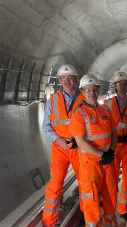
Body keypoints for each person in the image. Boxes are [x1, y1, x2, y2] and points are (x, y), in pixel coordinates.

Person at [69, 74, 118, 227]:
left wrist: (111, 152)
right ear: (82, 92)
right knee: (90, 199)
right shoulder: (79, 114)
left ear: (99, 90)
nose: (92, 93)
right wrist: (101, 154)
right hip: (90, 164)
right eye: (88, 90)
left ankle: (110, 223)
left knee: (110, 195)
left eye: (94, 89)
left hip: (107, 162)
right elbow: (80, 141)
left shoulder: (106, 110)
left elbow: (114, 132)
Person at [42, 64, 84, 227]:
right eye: (63, 78)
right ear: (59, 80)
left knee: (85, 184)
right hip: (60, 149)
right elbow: (46, 125)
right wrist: (58, 139)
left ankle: (86, 216)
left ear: (76, 79)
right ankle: (48, 223)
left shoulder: (84, 98)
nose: (66, 81)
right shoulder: (52, 100)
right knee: (54, 186)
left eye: (70, 78)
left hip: (79, 148)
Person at [104, 72, 127, 221]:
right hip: (113, 147)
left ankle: (124, 210)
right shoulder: (106, 104)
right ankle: (111, 209)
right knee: (111, 179)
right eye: (119, 83)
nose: (122, 86)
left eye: (125, 83)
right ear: (115, 86)